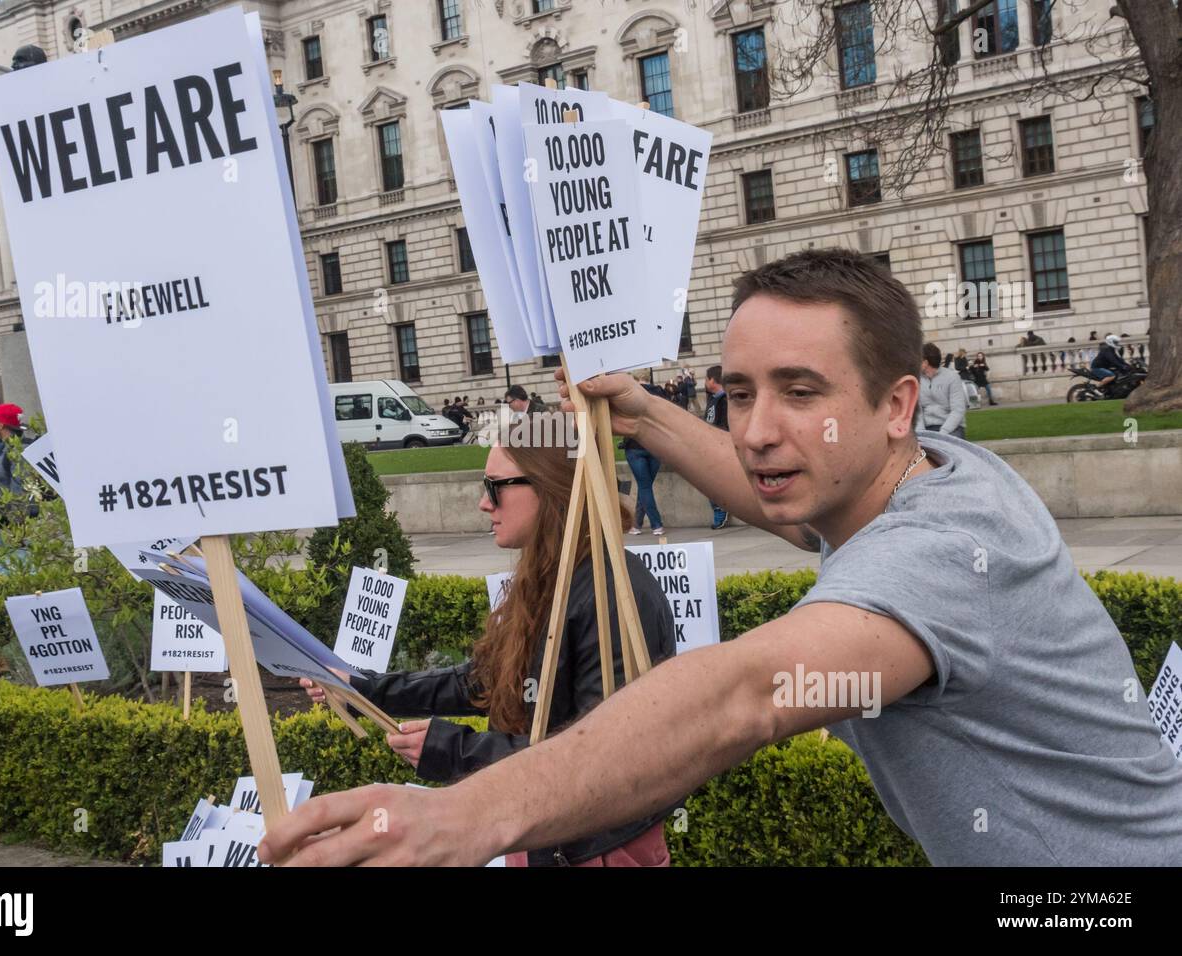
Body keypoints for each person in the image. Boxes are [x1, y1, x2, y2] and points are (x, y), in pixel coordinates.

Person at [260, 247, 1182, 867]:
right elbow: (777, 499)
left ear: (898, 404)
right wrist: (645, 411)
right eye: (738, 393)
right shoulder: (937, 473)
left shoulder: (937, 556)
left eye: (800, 390)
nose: (758, 430)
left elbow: (745, 694)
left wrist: (462, 813)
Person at [302, 439, 677, 866]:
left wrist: (456, 751)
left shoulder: (614, 594)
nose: (483, 503)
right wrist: (366, 686)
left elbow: (596, 762)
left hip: (595, 848)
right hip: (539, 830)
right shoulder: (551, 574)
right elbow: (483, 680)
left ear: (551, 488)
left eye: (495, 486)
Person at [623, 372, 667, 536]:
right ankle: (637, 524)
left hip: (634, 445)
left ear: (634, 377)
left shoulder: (628, 394)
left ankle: (656, 524)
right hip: (655, 445)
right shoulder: (659, 392)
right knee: (645, 486)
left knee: (644, 486)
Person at [918, 344, 967, 440]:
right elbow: (917, 410)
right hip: (926, 427)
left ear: (925, 362)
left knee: (949, 449)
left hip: (951, 427)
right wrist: (921, 433)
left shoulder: (952, 378)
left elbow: (958, 410)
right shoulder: (916, 379)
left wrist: (943, 432)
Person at [704, 365, 730, 529]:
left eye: (706, 379)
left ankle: (720, 508)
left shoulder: (725, 400)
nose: (705, 382)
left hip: (721, 443)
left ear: (712, 380)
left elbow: (724, 424)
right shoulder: (713, 398)